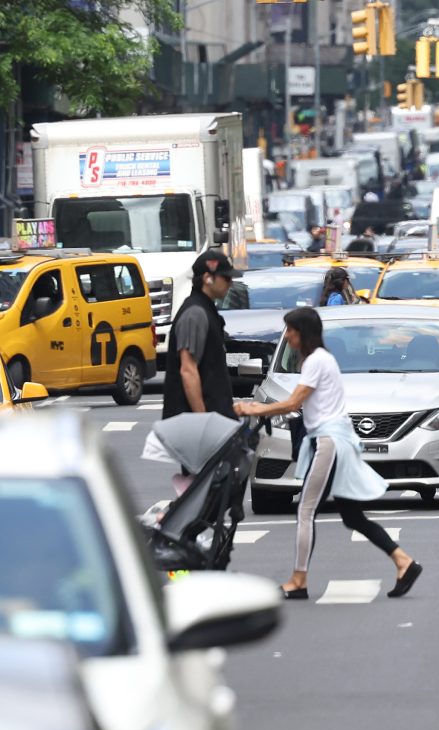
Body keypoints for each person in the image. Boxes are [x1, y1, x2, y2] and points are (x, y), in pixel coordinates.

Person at [237, 307, 419, 600]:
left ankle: (298, 580)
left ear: (303, 332)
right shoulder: (321, 359)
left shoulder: (316, 361)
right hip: (337, 440)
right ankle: (403, 562)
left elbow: (293, 402)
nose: (287, 336)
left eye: (291, 330)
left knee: (306, 510)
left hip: (328, 442)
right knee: (352, 516)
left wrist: (256, 408)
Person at [162, 252, 237, 421]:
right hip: (192, 427)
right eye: (225, 278)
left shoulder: (206, 310)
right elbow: (188, 370)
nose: (230, 283)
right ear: (207, 278)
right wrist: (202, 421)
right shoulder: (195, 313)